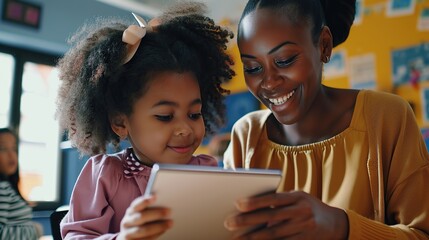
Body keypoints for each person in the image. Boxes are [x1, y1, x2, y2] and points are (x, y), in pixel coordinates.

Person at [223, 0, 429, 239]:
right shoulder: (246, 136)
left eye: (284, 60)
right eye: (252, 68)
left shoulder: (385, 117)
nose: (269, 82)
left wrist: (340, 226)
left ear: (324, 45)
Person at [55, 2, 234, 239]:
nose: (185, 129)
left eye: (194, 114)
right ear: (120, 122)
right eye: (165, 117)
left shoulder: (206, 170)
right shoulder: (106, 176)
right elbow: (77, 236)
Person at [0, 128, 40, 239]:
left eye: (14, 149)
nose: (11, 155)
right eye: (3, 149)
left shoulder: (7, 186)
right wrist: (35, 230)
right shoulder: (1, 188)